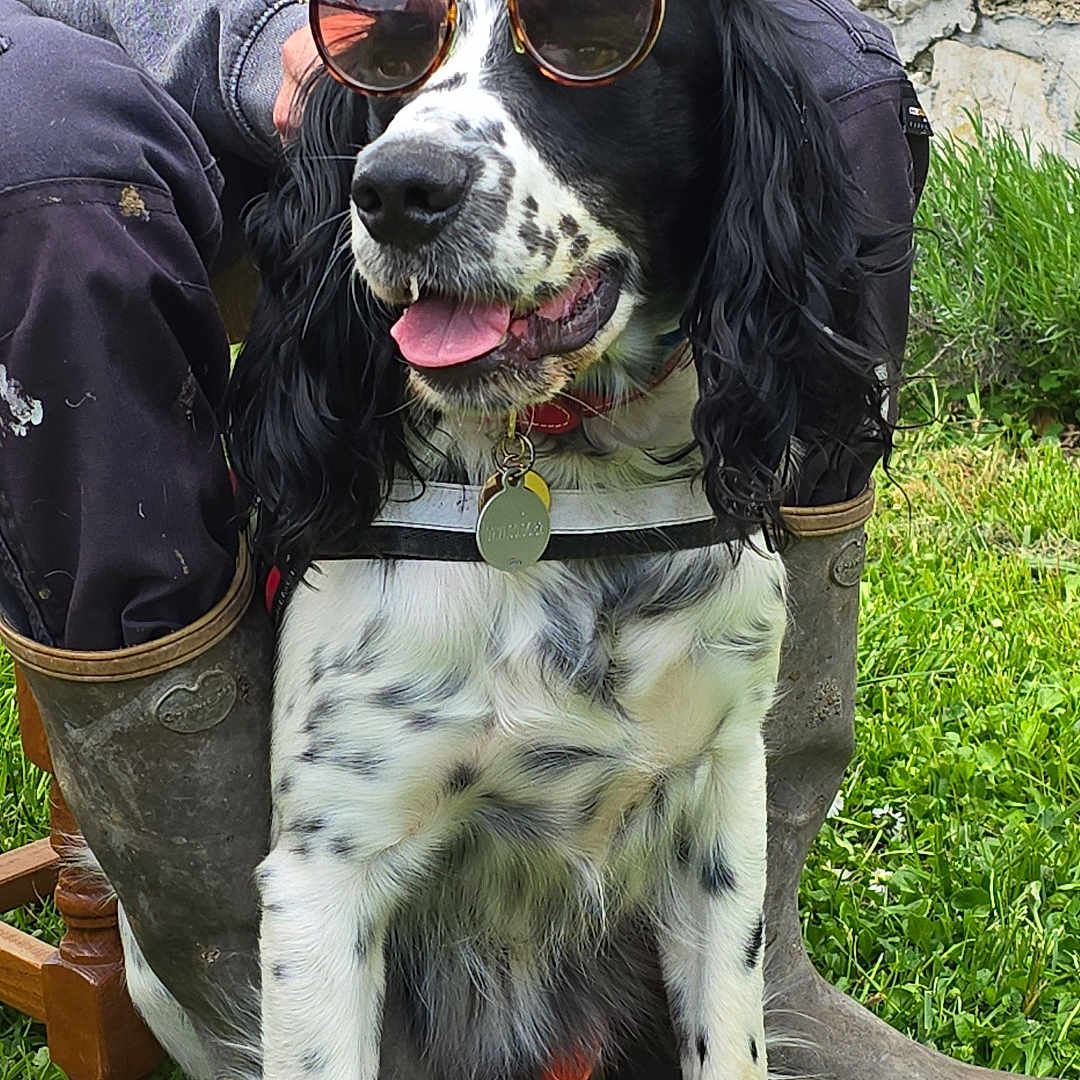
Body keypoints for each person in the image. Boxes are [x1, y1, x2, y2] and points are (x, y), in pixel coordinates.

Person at [0, 5, 978, 1080]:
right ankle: (236, 979)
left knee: (839, 62)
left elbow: (718, 784)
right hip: (154, 74)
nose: (411, 168)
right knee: (50, 153)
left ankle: (754, 987)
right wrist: (306, 42)